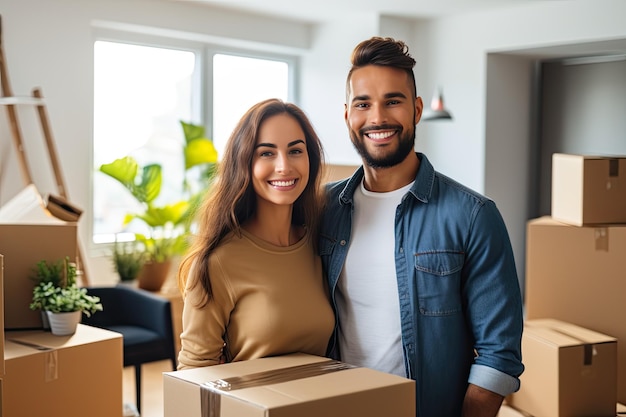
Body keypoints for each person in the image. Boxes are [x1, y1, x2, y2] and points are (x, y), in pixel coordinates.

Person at [319, 37, 524, 416]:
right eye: (363, 103)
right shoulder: (324, 209)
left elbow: (499, 353)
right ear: (347, 114)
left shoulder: (473, 216)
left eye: (392, 101)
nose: (377, 117)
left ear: (415, 110)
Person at [177, 98, 334, 369]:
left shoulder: (323, 243)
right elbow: (193, 371)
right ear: (244, 163)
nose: (284, 166)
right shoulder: (217, 262)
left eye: (296, 151)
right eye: (266, 153)